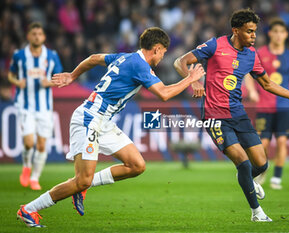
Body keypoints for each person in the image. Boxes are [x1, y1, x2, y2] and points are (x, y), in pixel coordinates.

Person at [16, 27, 205, 228]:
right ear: (157, 49)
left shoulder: (125, 58)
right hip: (89, 119)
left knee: (136, 165)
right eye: (164, 52)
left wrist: (73, 75)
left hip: (103, 121)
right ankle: (29, 209)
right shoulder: (140, 65)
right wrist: (190, 79)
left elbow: (94, 58)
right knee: (81, 180)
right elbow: (164, 93)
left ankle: (83, 187)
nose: (163, 57)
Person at [174, 9, 289, 222]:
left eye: (255, 31)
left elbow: (266, 83)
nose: (254, 36)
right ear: (235, 31)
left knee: (262, 163)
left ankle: (247, 180)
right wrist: (193, 80)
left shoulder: (251, 55)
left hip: (238, 113)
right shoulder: (215, 45)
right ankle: (257, 213)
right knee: (243, 163)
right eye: (249, 32)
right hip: (214, 114)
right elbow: (180, 61)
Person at [245, 18, 289, 190]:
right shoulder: (259, 52)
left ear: (286, 34)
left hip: (284, 107)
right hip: (264, 107)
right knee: (263, 144)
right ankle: (262, 170)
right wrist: (251, 91)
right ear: (270, 34)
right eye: (275, 32)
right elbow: (248, 74)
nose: (279, 35)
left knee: (282, 141)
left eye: (282, 32)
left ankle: (277, 178)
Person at [8, 22, 63, 190]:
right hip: (25, 105)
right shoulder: (19, 56)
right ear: (28, 36)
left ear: (44, 37)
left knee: (41, 145)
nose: (37, 36)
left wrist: (50, 82)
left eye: (39, 34)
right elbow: (11, 74)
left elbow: (59, 77)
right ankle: (26, 166)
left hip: (45, 107)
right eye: (34, 34)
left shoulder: (52, 56)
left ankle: (34, 178)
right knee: (28, 143)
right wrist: (18, 82)